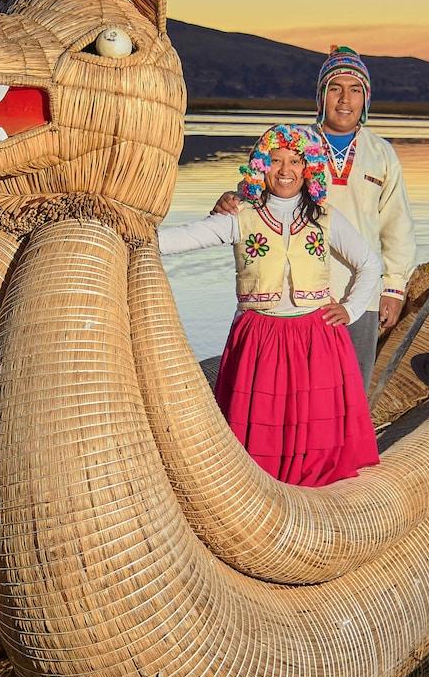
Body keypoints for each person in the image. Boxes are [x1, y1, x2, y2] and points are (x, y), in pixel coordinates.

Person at [161, 124, 382, 486]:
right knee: (259, 425)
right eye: (275, 160)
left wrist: (351, 309)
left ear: (308, 168)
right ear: (260, 166)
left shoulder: (324, 219)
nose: (285, 170)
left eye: (295, 161)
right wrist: (130, 235)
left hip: (316, 337)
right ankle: (261, 492)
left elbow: (370, 264)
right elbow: (182, 238)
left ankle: (313, 495)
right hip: (260, 337)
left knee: (314, 423)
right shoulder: (240, 216)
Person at [216, 46, 415, 383]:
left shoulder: (380, 153)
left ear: (366, 99)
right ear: (321, 96)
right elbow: (258, 189)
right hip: (296, 292)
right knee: (298, 388)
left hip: (359, 292)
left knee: (352, 388)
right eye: (335, 88)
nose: (344, 99)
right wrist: (230, 200)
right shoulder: (294, 143)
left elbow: (397, 226)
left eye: (355, 90)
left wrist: (393, 290)